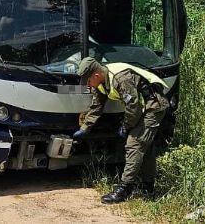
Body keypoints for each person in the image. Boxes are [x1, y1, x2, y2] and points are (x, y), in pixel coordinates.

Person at [72, 57, 170, 204]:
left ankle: (124, 189)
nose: (87, 85)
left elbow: (133, 107)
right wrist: (84, 129)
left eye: (88, 81)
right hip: (141, 107)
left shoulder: (120, 78)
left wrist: (125, 126)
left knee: (134, 144)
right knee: (146, 147)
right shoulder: (100, 82)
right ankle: (148, 188)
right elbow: (96, 107)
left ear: (96, 75)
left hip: (153, 106)